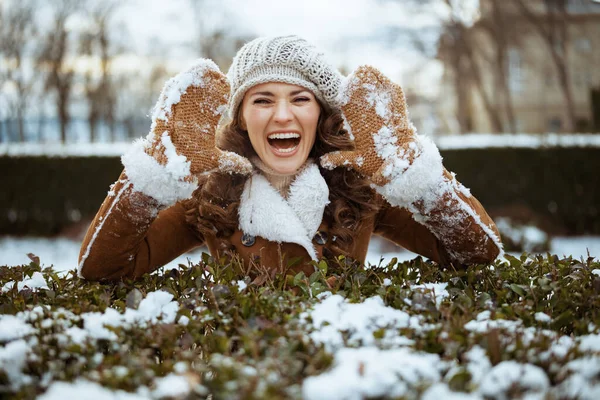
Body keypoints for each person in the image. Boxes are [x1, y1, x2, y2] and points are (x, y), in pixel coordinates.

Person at [78, 35, 503, 282]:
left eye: (300, 99)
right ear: (242, 118)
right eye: (262, 100)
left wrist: (418, 178)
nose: (282, 115)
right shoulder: (209, 197)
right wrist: (149, 179)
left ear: (321, 114)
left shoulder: (360, 189)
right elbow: (102, 269)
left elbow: (477, 254)